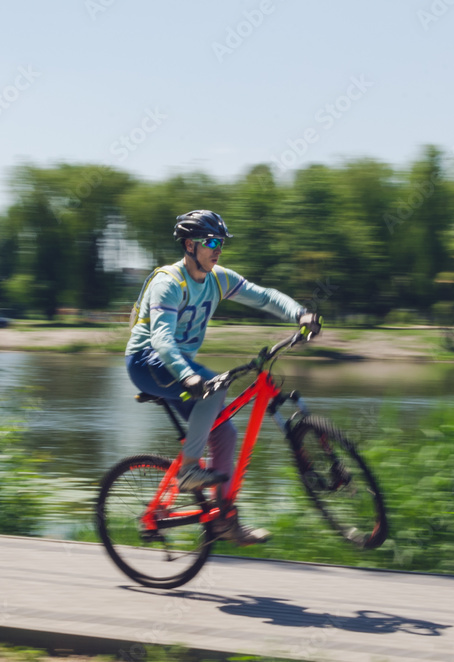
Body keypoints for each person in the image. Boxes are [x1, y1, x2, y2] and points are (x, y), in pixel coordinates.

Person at [125, 209, 320, 545]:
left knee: (225, 434)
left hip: (177, 365)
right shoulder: (169, 283)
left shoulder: (218, 279)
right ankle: (188, 471)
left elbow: (263, 296)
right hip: (147, 362)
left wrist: (299, 313)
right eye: (211, 242)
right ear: (189, 245)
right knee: (214, 389)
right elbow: (161, 339)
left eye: (221, 244)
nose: (217, 249)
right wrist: (187, 377)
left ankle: (224, 520)